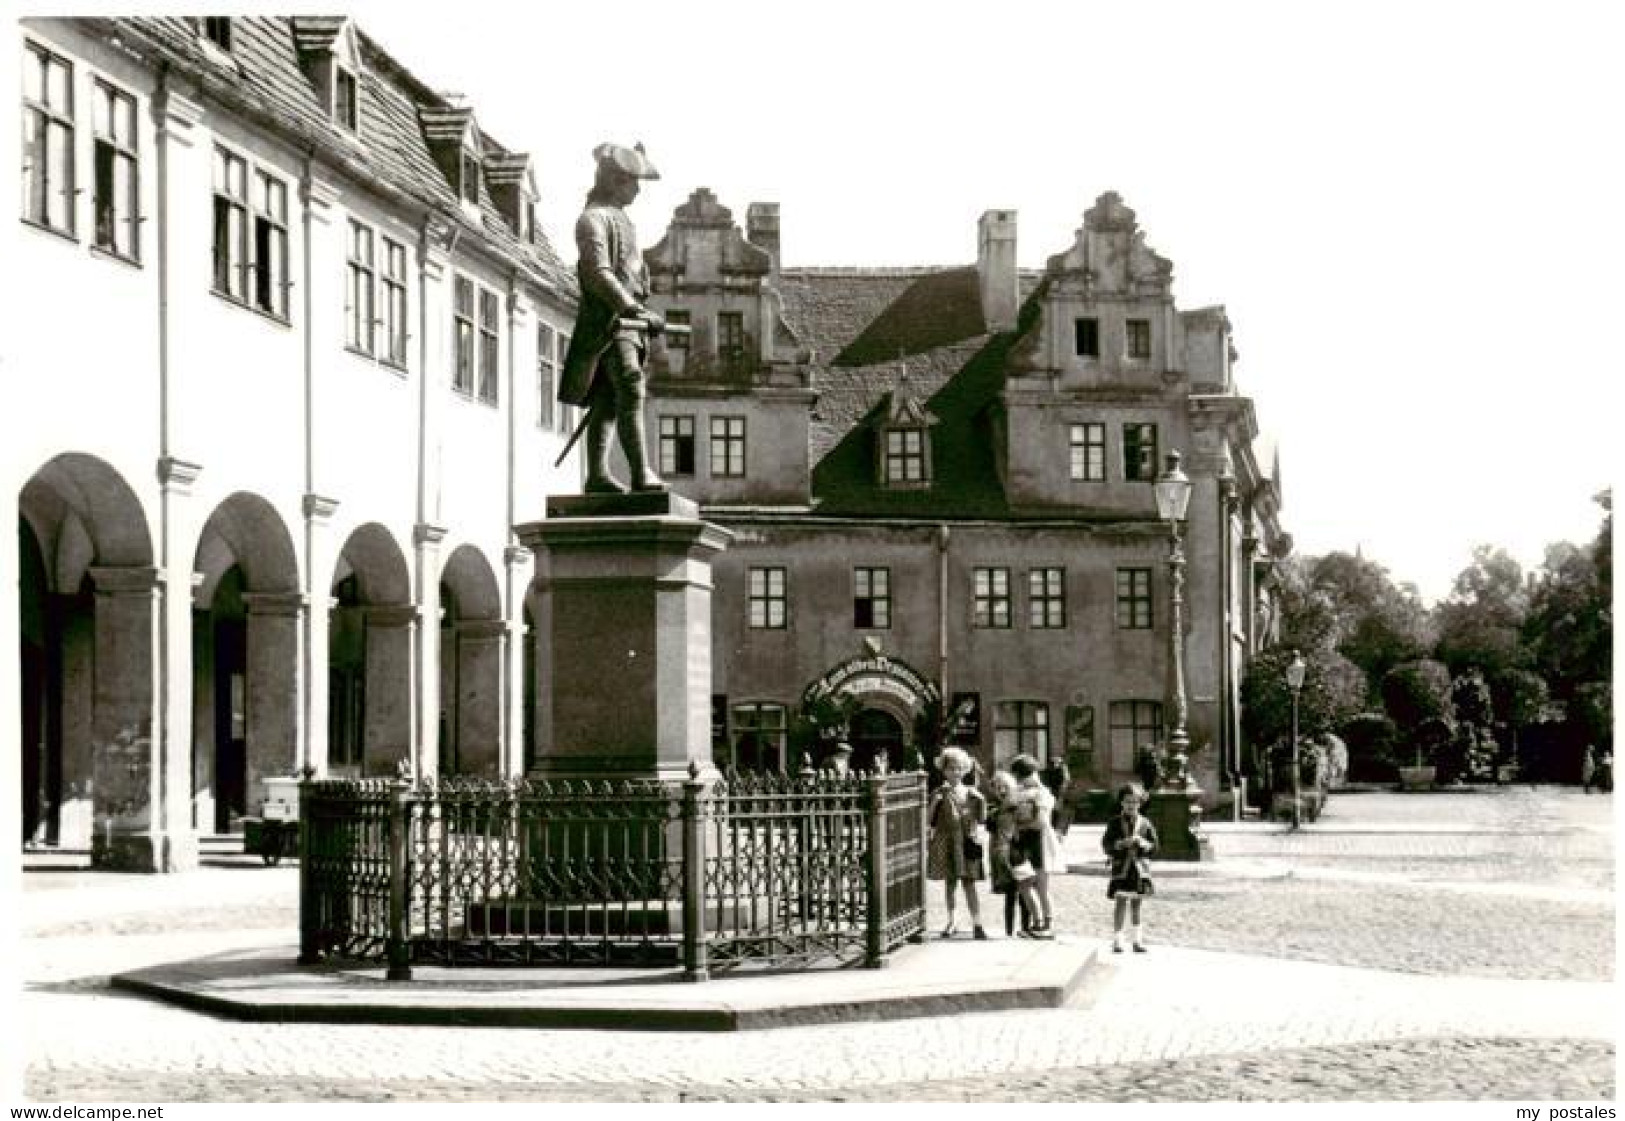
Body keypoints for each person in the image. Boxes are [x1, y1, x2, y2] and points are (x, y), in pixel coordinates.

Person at [558, 142, 667, 494]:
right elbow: (597, 273)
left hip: (627, 324)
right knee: (631, 385)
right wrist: (631, 308)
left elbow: (629, 271)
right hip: (608, 323)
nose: (637, 189)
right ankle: (641, 474)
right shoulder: (592, 219)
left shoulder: (622, 220)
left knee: (606, 399)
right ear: (614, 180)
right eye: (631, 181)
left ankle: (598, 475)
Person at [926, 746, 987, 939]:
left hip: (967, 841)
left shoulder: (971, 792)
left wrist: (982, 802)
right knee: (950, 883)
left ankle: (977, 922)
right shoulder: (939, 792)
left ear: (965, 770)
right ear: (944, 770)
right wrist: (934, 802)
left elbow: (982, 819)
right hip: (947, 841)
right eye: (951, 768)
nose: (955, 772)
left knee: (969, 883)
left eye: (959, 768)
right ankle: (952, 920)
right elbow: (928, 820)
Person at [1008, 754, 1062, 938]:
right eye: (1020, 776)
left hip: (1039, 841)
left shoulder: (1043, 793)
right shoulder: (1017, 791)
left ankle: (1047, 925)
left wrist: (1020, 821)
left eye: (1025, 775)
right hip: (1022, 842)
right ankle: (1037, 921)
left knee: (1041, 886)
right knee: (1023, 884)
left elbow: (1040, 822)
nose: (1023, 780)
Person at [1102, 783, 1159, 953]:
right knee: (1120, 903)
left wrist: (1144, 844)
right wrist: (1119, 844)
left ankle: (1137, 940)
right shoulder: (1114, 822)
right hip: (1121, 870)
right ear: (1121, 802)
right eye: (1127, 802)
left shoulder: (1145, 823)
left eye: (1134, 802)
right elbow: (1106, 843)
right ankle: (1118, 940)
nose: (1131, 805)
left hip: (1139, 871)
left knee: (1136, 905)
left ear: (1140, 803)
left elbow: (1155, 846)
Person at [987, 770, 1039, 937]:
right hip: (1002, 853)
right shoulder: (993, 806)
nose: (1001, 790)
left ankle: (1026, 927)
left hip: (1019, 851)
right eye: (998, 787)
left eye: (1005, 787)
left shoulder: (1020, 803)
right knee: (1010, 894)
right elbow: (989, 826)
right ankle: (1008, 931)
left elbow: (1029, 821)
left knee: (1025, 890)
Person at [1041, 753, 1073, 838]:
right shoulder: (1047, 772)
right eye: (1053, 763)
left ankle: (1057, 832)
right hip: (1053, 795)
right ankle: (1056, 832)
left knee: (1059, 814)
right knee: (1056, 814)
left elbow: (1065, 784)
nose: (1054, 764)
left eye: (1057, 763)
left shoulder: (1062, 771)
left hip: (1058, 795)